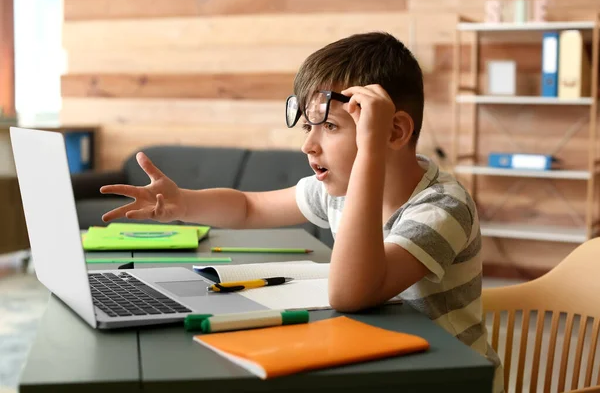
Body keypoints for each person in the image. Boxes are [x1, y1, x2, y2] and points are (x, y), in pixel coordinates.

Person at [100, 31, 503, 392]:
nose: (308, 146)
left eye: (330, 127)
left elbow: (351, 294)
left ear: (394, 132)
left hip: (446, 377)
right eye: (308, 127)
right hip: (379, 358)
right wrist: (184, 203)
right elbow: (249, 207)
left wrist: (369, 157)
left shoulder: (442, 208)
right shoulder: (337, 191)